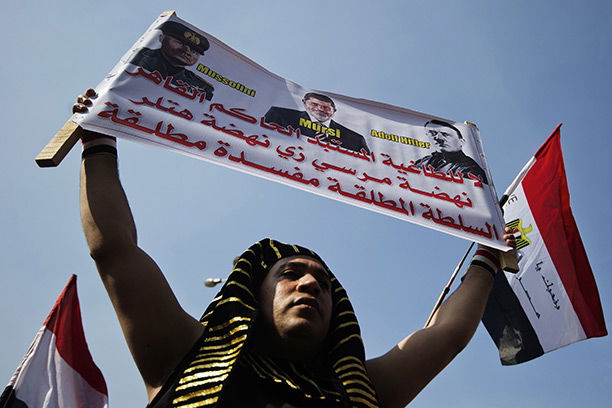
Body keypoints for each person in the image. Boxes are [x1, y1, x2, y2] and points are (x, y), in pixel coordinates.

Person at [75, 89, 515, 407]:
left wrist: (487, 257)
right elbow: (116, 250)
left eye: (323, 283)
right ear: (253, 295)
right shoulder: (182, 353)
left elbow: (447, 335)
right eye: (290, 274)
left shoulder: (362, 392)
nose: (309, 284)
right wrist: (98, 142)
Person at [130, 21, 215, 101]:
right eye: (180, 43)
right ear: (161, 38)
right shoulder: (139, 58)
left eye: (194, 51)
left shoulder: (202, 87)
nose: (187, 51)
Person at [264, 93, 370, 154]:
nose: (320, 109)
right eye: (314, 104)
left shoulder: (355, 139)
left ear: (334, 111)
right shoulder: (280, 115)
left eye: (326, 107)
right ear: (304, 103)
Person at [414, 119, 488, 184]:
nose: (438, 138)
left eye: (445, 134)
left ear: (461, 142)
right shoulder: (423, 161)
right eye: (433, 133)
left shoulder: (470, 170)